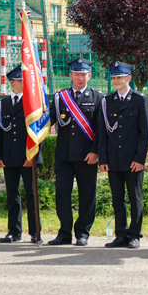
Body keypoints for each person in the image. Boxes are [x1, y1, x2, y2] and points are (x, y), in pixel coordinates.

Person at [49, 58, 103, 246]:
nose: (80, 77)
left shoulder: (98, 97)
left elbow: (101, 128)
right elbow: (48, 121)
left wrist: (95, 152)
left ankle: (83, 232)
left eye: (84, 74)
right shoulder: (59, 97)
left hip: (87, 155)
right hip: (64, 155)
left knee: (87, 195)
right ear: (70, 75)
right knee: (62, 193)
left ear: (89, 75)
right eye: (76, 74)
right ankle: (64, 232)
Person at [98, 62, 148, 249]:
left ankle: (135, 234)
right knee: (117, 198)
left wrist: (140, 159)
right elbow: (103, 132)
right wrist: (103, 159)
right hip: (113, 158)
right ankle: (121, 234)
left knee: (135, 198)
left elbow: (145, 133)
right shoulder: (107, 101)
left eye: (120, 77)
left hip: (132, 159)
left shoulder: (139, 99)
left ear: (128, 78)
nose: (116, 81)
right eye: (114, 77)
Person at [0, 65, 42, 244]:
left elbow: (39, 132)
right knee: (12, 195)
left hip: (28, 155)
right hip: (9, 156)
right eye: (19, 81)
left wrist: (33, 156)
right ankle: (14, 231)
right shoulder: (3, 104)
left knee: (32, 195)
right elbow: (0, 132)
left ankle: (35, 232)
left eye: (24, 81)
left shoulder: (32, 102)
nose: (22, 84)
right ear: (11, 82)